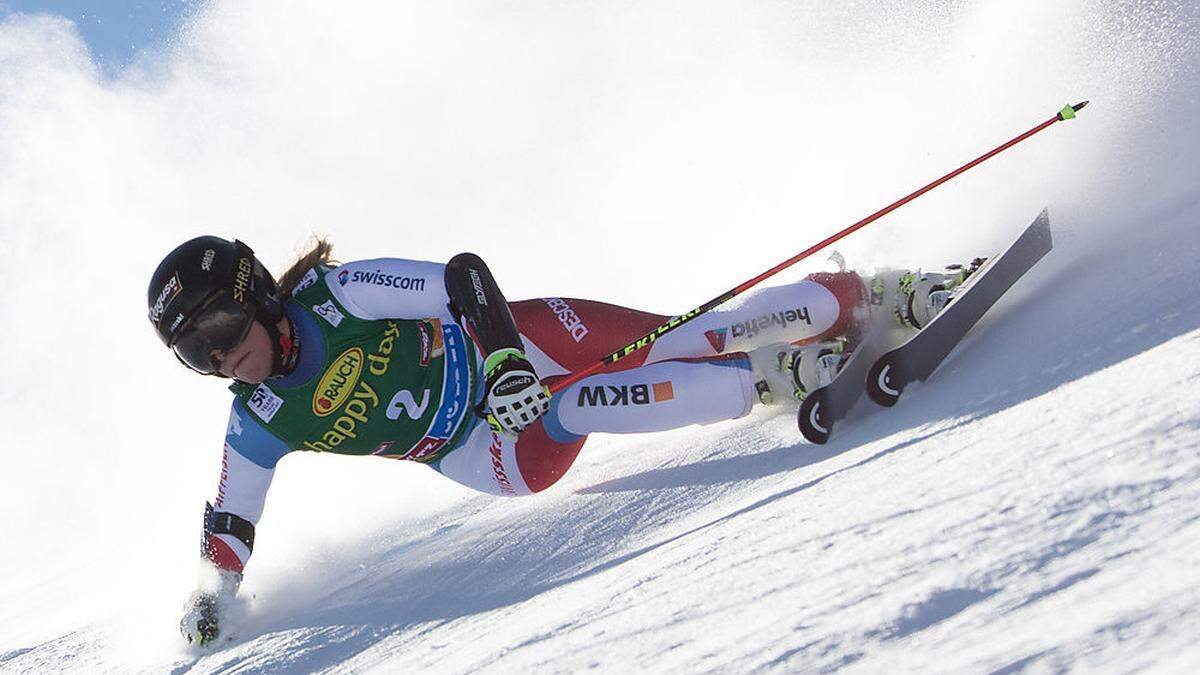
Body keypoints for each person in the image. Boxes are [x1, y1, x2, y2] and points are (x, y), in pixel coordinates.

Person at [149, 236, 977, 645]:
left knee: (692, 334)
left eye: (219, 326)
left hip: (511, 343)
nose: (221, 354)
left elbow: (464, 277)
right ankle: (775, 380)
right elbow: (231, 526)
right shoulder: (257, 417)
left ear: (252, 292)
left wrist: (506, 357)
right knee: (571, 409)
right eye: (196, 352)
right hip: (486, 451)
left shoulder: (341, 295)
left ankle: (879, 294)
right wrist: (211, 599)